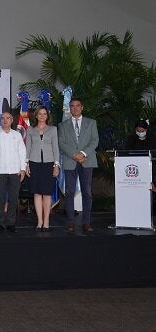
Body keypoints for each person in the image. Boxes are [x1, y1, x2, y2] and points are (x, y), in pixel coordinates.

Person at [58, 97, 99, 233]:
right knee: (69, 192)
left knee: (87, 192)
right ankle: (71, 222)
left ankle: (86, 223)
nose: (75, 108)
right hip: (70, 161)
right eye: (72, 106)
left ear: (82, 107)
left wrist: (82, 153)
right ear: (69, 108)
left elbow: (95, 141)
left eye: (77, 105)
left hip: (87, 160)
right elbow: (62, 143)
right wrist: (74, 155)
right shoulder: (63, 125)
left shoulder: (91, 123)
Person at [0, 112, 26, 233]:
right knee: (0, 199)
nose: (5, 120)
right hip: (0, 172)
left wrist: (23, 169)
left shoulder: (17, 135)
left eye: (8, 118)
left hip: (15, 172)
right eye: (2, 118)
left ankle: (11, 223)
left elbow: (22, 152)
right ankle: (0, 223)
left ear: (12, 120)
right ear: (0, 121)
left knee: (13, 199)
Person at [25, 107, 60, 232]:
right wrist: (26, 164)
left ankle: (46, 221)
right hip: (34, 164)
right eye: (40, 114)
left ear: (47, 116)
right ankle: (39, 221)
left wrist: (56, 165)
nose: (42, 115)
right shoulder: (30, 129)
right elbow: (28, 148)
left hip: (48, 164)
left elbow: (56, 148)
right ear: (36, 115)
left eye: (44, 114)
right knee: (37, 193)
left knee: (47, 193)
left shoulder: (53, 129)